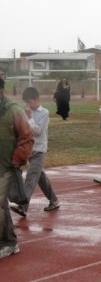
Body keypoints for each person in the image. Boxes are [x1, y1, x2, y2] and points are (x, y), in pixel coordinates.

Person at [10, 88, 60, 218]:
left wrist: (30, 117)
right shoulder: (24, 112)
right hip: (28, 150)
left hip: (39, 150)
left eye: (30, 102)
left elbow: (37, 131)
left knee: (31, 177)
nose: (28, 105)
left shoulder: (44, 113)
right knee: (40, 177)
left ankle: (23, 206)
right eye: (26, 102)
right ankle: (54, 200)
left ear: (37, 99)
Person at [0, 78, 33, 258]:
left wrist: (17, 159)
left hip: (6, 166)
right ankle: (9, 240)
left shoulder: (13, 110)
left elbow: (27, 138)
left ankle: (7, 243)